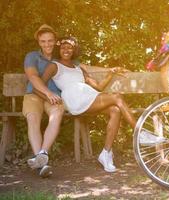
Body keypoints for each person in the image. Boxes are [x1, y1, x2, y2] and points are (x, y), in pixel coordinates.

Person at [38, 37, 137, 173]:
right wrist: (49, 97)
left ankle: (106, 154)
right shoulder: (54, 65)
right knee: (117, 97)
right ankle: (139, 133)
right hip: (74, 98)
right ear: (58, 50)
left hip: (88, 96)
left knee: (115, 110)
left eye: (70, 48)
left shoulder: (79, 68)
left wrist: (110, 73)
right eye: (63, 47)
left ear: (74, 51)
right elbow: (39, 85)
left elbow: (99, 87)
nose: (66, 50)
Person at [23, 24, 64, 178]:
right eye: (43, 41)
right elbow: (33, 76)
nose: (47, 44)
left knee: (58, 111)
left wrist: (110, 70)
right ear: (39, 42)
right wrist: (47, 93)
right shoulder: (32, 56)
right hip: (34, 95)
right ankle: (43, 164)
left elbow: (82, 67)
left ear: (55, 41)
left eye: (50, 41)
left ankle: (42, 154)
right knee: (32, 118)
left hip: (53, 97)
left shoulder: (59, 59)